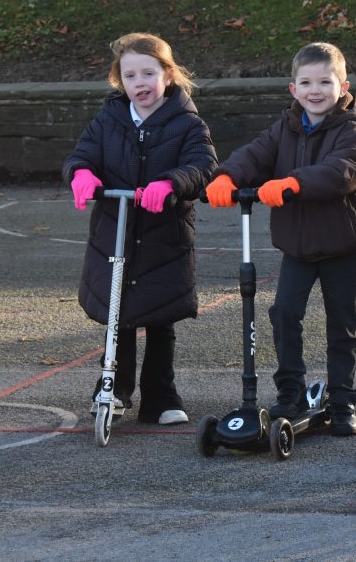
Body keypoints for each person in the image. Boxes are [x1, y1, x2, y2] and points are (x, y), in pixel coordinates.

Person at [204, 42, 356, 437]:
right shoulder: (287, 126)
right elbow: (256, 154)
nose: (316, 91)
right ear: (292, 89)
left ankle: (343, 398)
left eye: (325, 82)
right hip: (298, 247)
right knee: (284, 313)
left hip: (342, 245)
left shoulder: (351, 129)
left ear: (343, 86)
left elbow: (342, 170)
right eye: (307, 83)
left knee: (342, 322)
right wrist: (227, 176)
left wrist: (293, 182)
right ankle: (290, 390)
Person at [64, 32, 217, 426]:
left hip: (164, 235)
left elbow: (202, 166)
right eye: (130, 76)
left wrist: (171, 183)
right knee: (119, 315)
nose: (140, 83)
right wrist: (81, 174)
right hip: (115, 230)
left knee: (159, 316)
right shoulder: (109, 119)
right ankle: (113, 386)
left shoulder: (186, 122)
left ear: (168, 75)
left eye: (148, 73)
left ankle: (161, 395)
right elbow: (82, 155)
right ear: (120, 80)